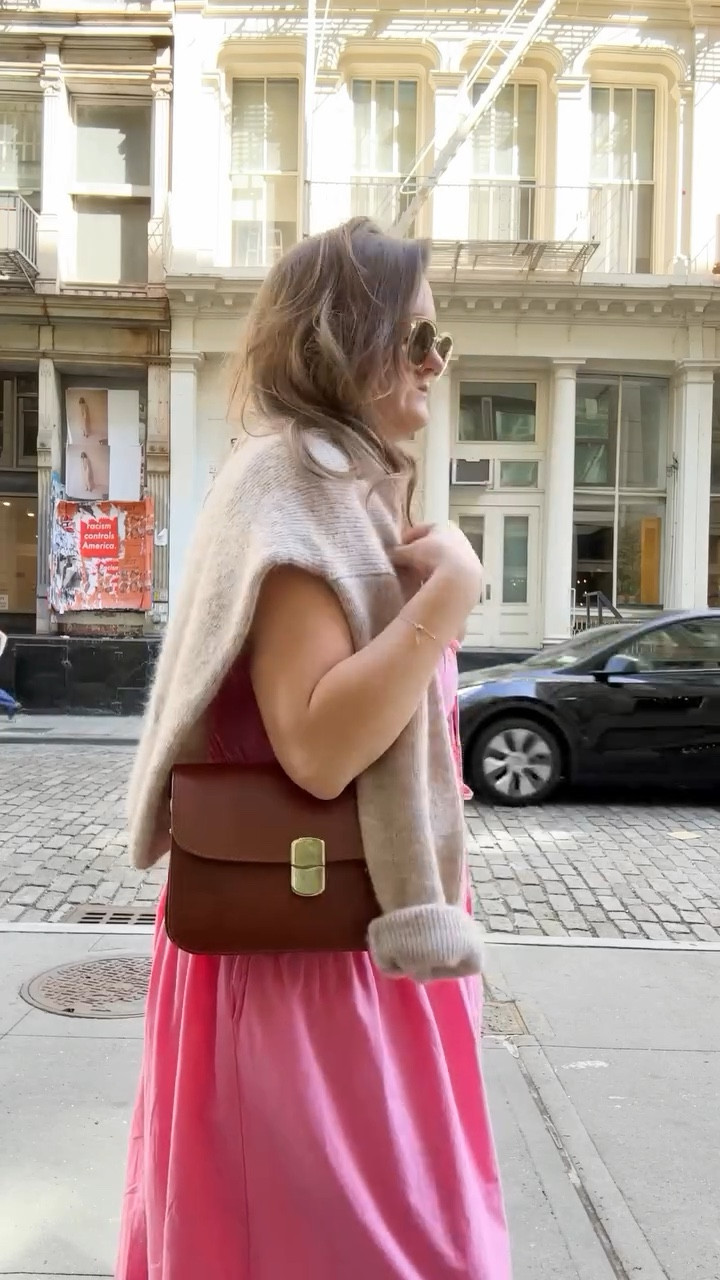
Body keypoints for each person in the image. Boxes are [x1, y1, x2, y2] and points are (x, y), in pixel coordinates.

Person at [116, 218, 511, 1279]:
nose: (438, 362)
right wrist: (455, 596)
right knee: (358, 1246)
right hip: (307, 964)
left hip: (351, 946)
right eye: (421, 338)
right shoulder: (291, 486)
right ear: (352, 336)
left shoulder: (333, 483)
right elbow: (319, 745)